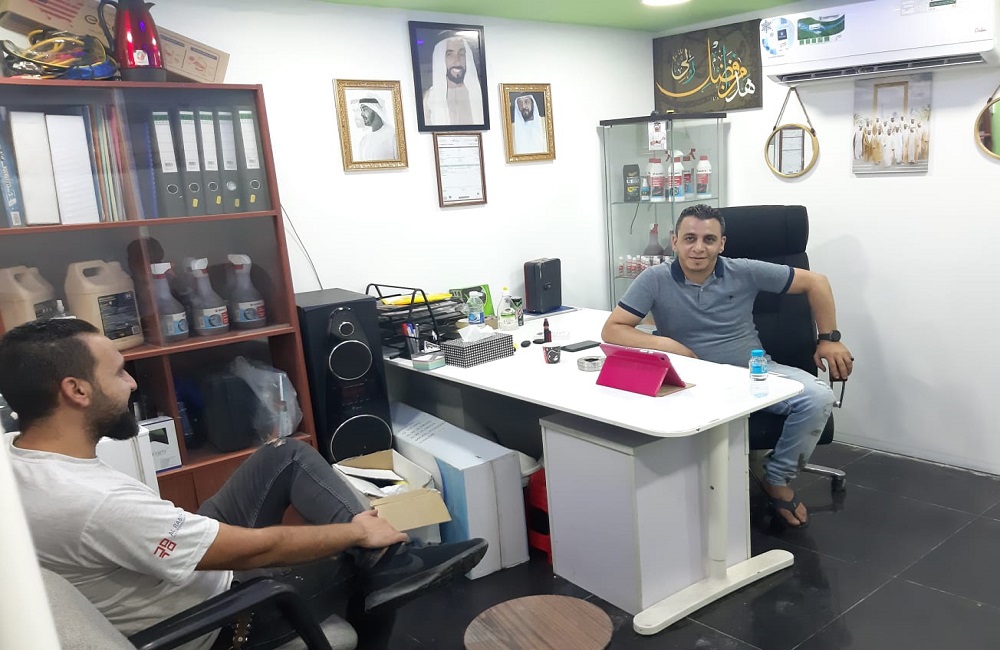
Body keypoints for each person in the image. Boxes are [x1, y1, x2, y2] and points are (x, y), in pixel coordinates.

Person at [0, 318, 487, 649]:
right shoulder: (95, 503)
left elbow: (143, 532)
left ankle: (390, 562)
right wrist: (356, 531)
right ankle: (386, 563)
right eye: (120, 373)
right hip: (217, 615)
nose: (132, 384)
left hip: (165, 562)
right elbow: (256, 551)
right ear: (76, 390)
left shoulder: (14, 459)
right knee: (350, 553)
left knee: (285, 453)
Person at [601, 204, 854, 529]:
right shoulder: (654, 278)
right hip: (690, 380)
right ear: (674, 241)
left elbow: (816, 282)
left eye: (709, 239)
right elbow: (614, 328)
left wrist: (829, 339)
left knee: (817, 397)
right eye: (689, 238)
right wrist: (670, 345)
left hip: (750, 372)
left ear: (722, 244)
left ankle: (777, 477)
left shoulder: (742, 270)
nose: (698, 247)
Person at [422, 34, 483, 126]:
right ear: (440, 59)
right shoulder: (429, 98)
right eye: (449, 55)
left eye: (461, 54)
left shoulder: (479, 93)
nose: (457, 61)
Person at [353, 95, 397, 161]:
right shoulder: (364, 140)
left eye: (364, 109)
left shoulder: (393, 135)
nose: (361, 114)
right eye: (361, 110)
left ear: (376, 111)